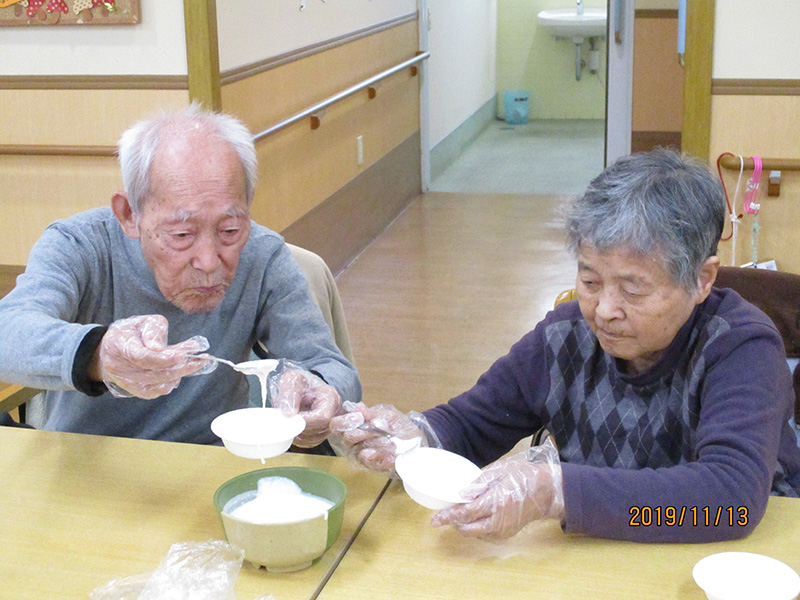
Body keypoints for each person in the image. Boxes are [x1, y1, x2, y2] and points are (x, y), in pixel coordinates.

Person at [330, 148, 800, 543]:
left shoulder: (741, 348)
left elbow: (730, 502)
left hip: (733, 561)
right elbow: (470, 426)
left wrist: (558, 492)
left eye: (633, 290)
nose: (604, 310)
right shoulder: (566, 336)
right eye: (590, 280)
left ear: (702, 280)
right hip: (597, 556)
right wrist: (415, 439)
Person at [0, 103, 359, 447]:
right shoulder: (80, 245)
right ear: (129, 215)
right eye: (182, 235)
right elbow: (8, 332)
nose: (208, 261)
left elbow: (331, 367)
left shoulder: (263, 256)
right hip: (88, 461)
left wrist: (321, 392)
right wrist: (98, 355)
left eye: (229, 230)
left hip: (212, 460)